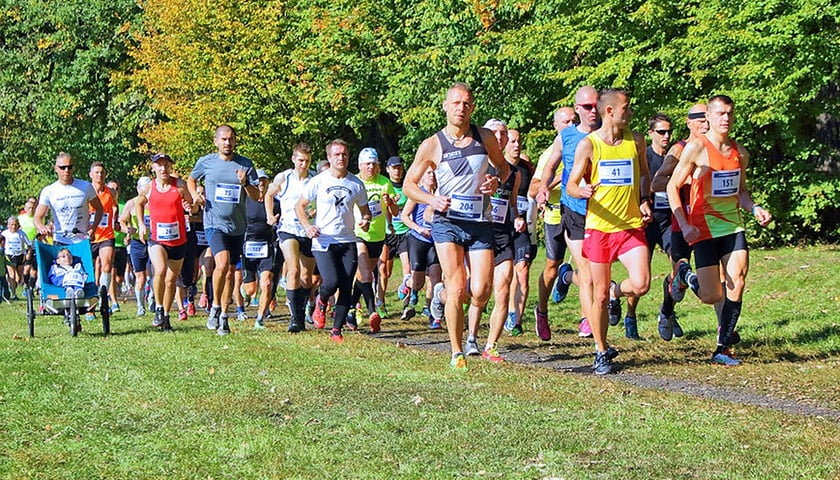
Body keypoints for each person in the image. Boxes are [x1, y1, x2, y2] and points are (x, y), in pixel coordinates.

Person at [402, 82, 508, 371]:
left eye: (467, 103)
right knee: (458, 286)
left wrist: (496, 181)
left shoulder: (485, 138)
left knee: (482, 289)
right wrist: (431, 200)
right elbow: (408, 185)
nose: (461, 108)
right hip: (447, 222)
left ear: (472, 108)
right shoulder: (432, 144)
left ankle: (441, 296)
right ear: (446, 106)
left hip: (479, 221)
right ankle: (457, 351)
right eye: (456, 103)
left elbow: (504, 168)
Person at [666, 95, 772, 366]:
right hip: (702, 228)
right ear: (709, 118)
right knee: (711, 295)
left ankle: (722, 348)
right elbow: (672, 186)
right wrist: (685, 223)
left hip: (732, 225)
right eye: (720, 113)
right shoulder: (696, 148)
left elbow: (741, 191)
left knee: (737, 280)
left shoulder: (740, 152)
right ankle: (684, 275)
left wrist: (754, 208)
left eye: (729, 114)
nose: (725, 118)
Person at [566, 88, 652, 375]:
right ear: (610, 111)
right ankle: (601, 351)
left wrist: (643, 200)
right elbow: (571, 184)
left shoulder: (636, 140)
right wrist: (582, 189)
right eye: (626, 108)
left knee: (641, 284)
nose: (631, 112)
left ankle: (619, 291)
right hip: (600, 228)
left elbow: (643, 174)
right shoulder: (589, 145)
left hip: (629, 226)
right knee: (598, 295)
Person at [534, 87, 602, 340]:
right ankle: (543, 310)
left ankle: (589, 317)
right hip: (570, 210)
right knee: (560, 267)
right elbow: (550, 167)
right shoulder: (566, 137)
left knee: (595, 271)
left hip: (602, 212)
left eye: (596, 105)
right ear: (577, 109)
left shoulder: (609, 135)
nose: (592, 111)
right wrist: (543, 189)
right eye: (586, 107)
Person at [295, 139, 372, 342]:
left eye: (344, 154)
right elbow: (299, 206)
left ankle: (336, 330)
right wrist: (307, 226)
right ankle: (321, 301)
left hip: (347, 240)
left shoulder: (356, 183)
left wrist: (365, 220)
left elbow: (366, 211)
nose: (341, 158)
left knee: (346, 285)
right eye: (337, 154)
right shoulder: (319, 181)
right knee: (331, 281)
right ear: (329, 157)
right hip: (323, 241)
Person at [188, 125, 260, 336]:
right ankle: (215, 307)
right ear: (216, 141)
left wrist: (245, 182)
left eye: (231, 139)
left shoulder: (245, 164)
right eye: (224, 139)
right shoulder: (207, 162)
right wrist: (196, 196)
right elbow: (192, 179)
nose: (227, 143)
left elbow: (256, 196)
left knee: (230, 273)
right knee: (221, 263)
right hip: (214, 223)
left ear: (235, 141)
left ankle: (224, 315)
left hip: (237, 227)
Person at [464, 118, 521, 363]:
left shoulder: (513, 173)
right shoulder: (475, 164)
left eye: (503, 133)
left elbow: (512, 202)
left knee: (504, 287)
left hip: (502, 234)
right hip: (477, 233)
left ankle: (491, 345)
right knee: (479, 291)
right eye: (494, 132)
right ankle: (471, 337)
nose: (499, 137)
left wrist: (518, 217)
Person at [651, 104, 708, 341]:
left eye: (709, 119)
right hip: (681, 220)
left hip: (710, 221)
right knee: (678, 277)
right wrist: (684, 182)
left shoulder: (716, 147)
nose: (706, 124)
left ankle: (724, 331)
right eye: (701, 119)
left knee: (720, 277)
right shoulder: (679, 149)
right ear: (690, 123)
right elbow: (656, 183)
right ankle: (667, 311)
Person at [622, 113, 674, 340]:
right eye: (661, 132)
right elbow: (634, 186)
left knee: (678, 268)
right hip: (647, 222)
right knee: (640, 277)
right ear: (651, 133)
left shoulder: (675, 157)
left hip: (670, 221)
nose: (666, 136)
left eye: (669, 132)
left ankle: (667, 312)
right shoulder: (645, 157)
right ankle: (630, 316)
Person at [136, 153, 195, 331]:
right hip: (157, 239)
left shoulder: (180, 185)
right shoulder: (148, 187)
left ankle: (167, 316)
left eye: (166, 165)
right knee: (160, 270)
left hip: (178, 240)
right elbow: (139, 203)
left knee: (171, 280)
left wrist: (189, 207)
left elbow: (193, 206)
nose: (163, 169)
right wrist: (141, 224)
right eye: (159, 165)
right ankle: (159, 308)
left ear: (171, 167)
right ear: (153, 168)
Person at [266, 143, 316, 333]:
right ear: (294, 159)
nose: (303, 164)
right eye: (300, 160)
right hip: (287, 228)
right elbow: (269, 194)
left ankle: (302, 312)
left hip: (309, 230)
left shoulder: (314, 179)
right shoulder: (284, 177)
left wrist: (315, 210)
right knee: (293, 270)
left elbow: (321, 201)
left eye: (307, 161)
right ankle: (295, 319)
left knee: (306, 276)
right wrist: (270, 215)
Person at [348, 148, 398, 332]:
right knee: (367, 274)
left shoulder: (385, 183)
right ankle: (371, 312)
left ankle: (351, 308)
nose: (370, 167)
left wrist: (391, 203)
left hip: (378, 236)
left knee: (362, 277)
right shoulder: (353, 181)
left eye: (373, 163)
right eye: (367, 164)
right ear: (360, 165)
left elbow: (395, 213)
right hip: (357, 234)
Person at [502, 128, 537, 337]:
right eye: (513, 141)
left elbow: (534, 189)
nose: (517, 145)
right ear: (505, 144)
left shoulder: (526, 168)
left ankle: (516, 321)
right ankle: (504, 310)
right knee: (505, 274)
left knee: (522, 270)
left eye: (519, 141)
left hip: (523, 225)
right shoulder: (498, 166)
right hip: (500, 226)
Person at [400, 166, 442, 328]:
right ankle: (408, 284)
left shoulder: (441, 193)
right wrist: (418, 228)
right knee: (418, 283)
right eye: (428, 173)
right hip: (418, 239)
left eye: (434, 173)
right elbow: (404, 216)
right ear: (422, 177)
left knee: (435, 279)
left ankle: (434, 316)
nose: (432, 176)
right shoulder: (418, 193)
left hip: (435, 241)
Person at [241, 169, 277, 330]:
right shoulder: (246, 200)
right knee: (251, 289)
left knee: (267, 283)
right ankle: (244, 290)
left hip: (266, 245)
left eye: (264, 180)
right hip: (248, 244)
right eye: (258, 180)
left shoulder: (275, 203)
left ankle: (260, 319)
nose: (261, 183)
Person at [380, 156, 413, 319]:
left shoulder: (407, 187)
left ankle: (407, 306)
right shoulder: (385, 186)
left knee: (407, 270)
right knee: (384, 271)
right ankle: (381, 303)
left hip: (404, 232)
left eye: (399, 167)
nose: (397, 171)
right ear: (387, 169)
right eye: (393, 168)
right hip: (386, 232)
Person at [88, 161, 119, 319]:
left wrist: (117, 221)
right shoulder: (86, 192)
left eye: (102, 172)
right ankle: (90, 304)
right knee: (90, 271)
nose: (99, 175)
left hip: (107, 234)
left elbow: (115, 206)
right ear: (91, 175)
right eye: (97, 172)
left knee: (107, 265)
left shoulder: (111, 192)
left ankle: (103, 296)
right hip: (90, 235)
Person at [120, 176, 152, 316]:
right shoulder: (131, 203)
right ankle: (140, 306)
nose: (145, 191)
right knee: (140, 277)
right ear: (138, 189)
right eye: (143, 188)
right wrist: (127, 230)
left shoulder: (154, 201)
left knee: (155, 274)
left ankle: (152, 299)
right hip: (137, 243)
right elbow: (121, 221)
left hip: (154, 241)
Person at [107, 180, 127, 313]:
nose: (114, 190)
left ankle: (113, 291)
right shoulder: (103, 205)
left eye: (116, 188)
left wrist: (128, 234)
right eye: (111, 188)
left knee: (119, 277)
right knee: (112, 273)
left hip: (122, 245)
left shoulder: (123, 206)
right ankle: (114, 302)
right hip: (109, 242)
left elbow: (127, 222)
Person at [3, 217, 31, 300]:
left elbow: (29, 245)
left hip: (20, 256)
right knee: (11, 275)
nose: (14, 227)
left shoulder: (21, 233)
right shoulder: (5, 234)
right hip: (9, 255)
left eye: (15, 225)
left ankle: (15, 287)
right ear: (8, 225)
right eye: (12, 225)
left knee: (18, 278)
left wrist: (28, 253)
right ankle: (14, 294)